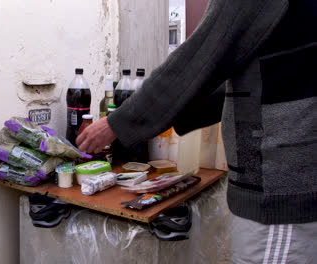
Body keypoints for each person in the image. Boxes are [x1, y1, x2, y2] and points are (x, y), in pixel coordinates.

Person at [77, 0, 316, 263]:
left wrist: (117, 124)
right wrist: (167, 114)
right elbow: (241, 73)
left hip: (279, 193)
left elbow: (198, 58)